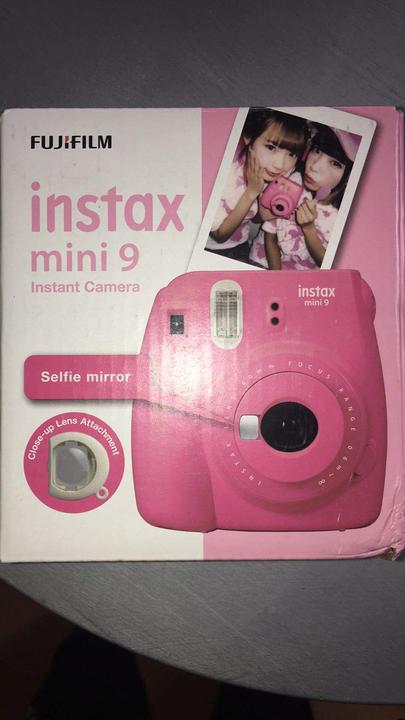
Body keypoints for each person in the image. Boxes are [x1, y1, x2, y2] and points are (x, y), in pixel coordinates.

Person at [250, 124, 360, 270]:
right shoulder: (293, 181)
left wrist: (309, 229)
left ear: (350, 177)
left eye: (335, 163)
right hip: (262, 262)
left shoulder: (343, 219)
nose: (314, 166)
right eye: (316, 150)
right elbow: (269, 236)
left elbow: (328, 264)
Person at [205, 109, 309, 261]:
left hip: (242, 244)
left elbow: (255, 218)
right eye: (271, 147)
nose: (280, 164)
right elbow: (220, 235)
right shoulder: (226, 173)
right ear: (248, 137)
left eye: (292, 154)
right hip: (213, 251)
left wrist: (274, 210)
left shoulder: (271, 170)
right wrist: (251, 192)